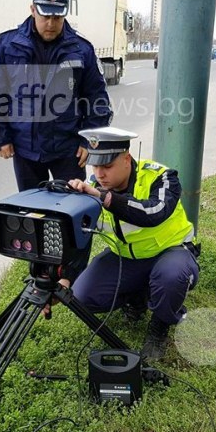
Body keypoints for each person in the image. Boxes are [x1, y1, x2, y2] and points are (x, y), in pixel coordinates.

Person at [59, 127, 200, 361]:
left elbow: (153, 212)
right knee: (82, 297)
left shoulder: (162, 177)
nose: (100, 174)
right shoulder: (94, 185)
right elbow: (81, 235)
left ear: (126, 158)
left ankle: (159, 328)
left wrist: (104, 198)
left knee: (171, 277)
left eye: (107, 166)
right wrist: (67, 275)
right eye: (96, 166)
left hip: (171, 252)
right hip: (125, 259)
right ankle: (137, 298)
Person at [0, 0, 113, 191]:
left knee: (72, 211)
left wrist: (90, 141)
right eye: (45, 15)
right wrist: (0, 138)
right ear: (33, 10)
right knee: (32, 215)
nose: (51, 23)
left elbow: (98, 100)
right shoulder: (8, 44)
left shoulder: (81, 49)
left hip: (68, 152)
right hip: (25, 151)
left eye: (57, 17)